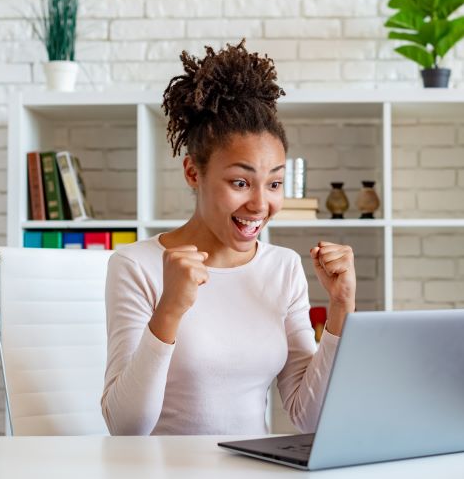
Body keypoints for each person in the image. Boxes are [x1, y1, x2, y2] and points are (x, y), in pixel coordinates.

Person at [101, 39, 357, 436]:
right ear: (192, 172)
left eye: (274, 183)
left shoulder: (283, 268)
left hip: (251, 468)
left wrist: (341, 308)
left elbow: (309, 416)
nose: (260, 204)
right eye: (240, 182)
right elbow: (126, 427)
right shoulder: (136, 266)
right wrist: (169, 309)